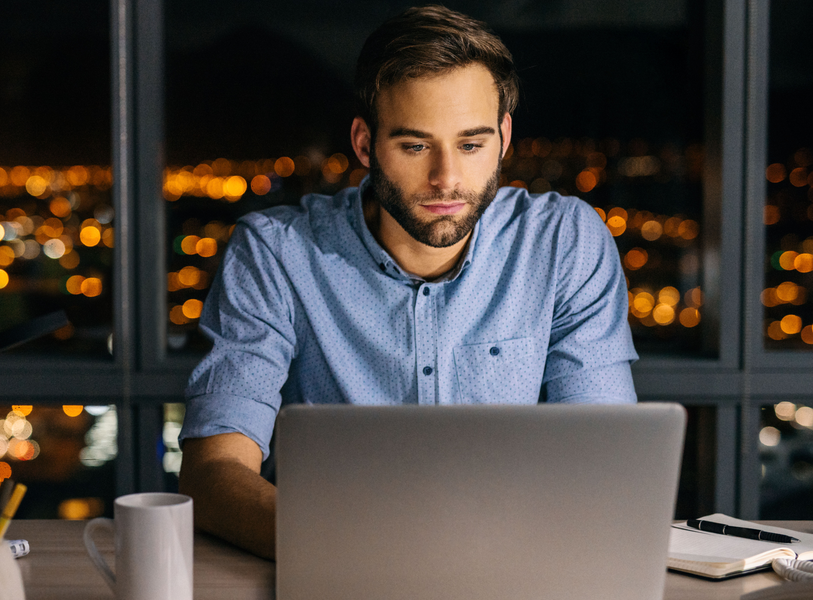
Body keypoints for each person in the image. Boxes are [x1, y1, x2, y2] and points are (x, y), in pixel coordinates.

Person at [177, 5, 638, 560]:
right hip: (330, 572)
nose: (446, 177)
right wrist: (350, 554)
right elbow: (215, 472)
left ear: (504, 137)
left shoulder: (565, 242)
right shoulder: (275, 252)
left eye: (471, 145)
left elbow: (603, 467)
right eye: (415, 146)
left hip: (510, 570)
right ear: (365, 143)